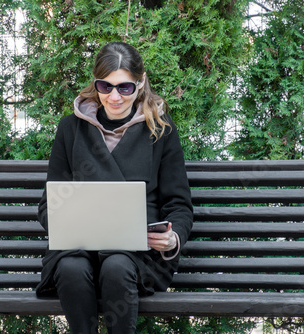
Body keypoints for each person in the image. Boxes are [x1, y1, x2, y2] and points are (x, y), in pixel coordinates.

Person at [36, 41, 193, 334]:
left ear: (141, 81)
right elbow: (48, 205)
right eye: (105, 87)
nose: (114, 97)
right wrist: (64, 222)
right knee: (71, 269)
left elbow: (178, 203)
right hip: (78, 249)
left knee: (117, 267)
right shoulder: (71, 129)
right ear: (95, 83)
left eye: (125, 88)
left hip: (137, 254)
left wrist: (172, 239)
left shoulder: (160, 130)